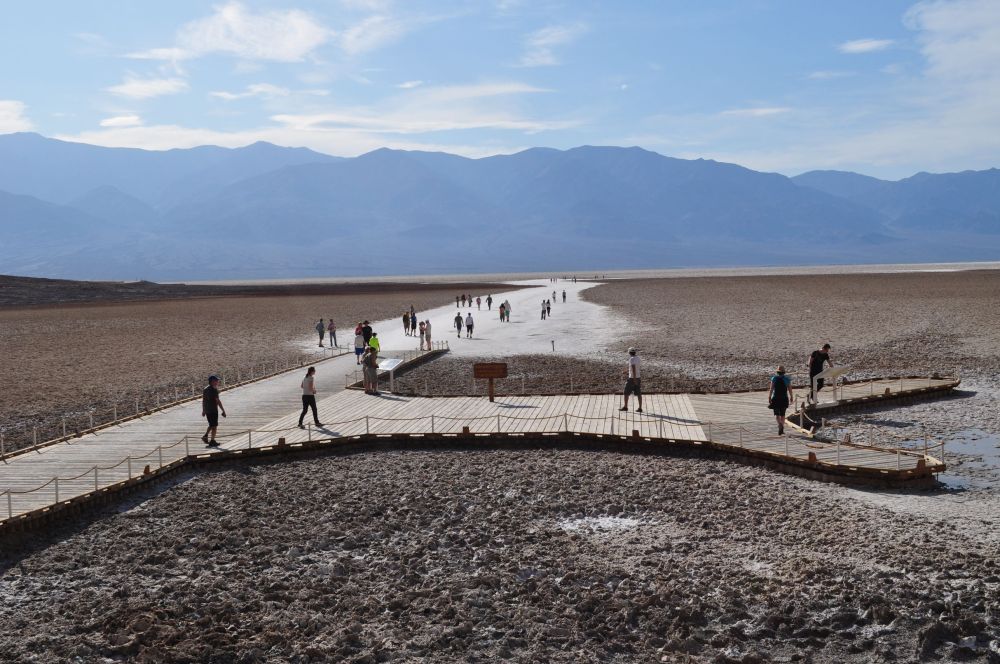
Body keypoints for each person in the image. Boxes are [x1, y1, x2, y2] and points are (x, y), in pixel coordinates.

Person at [201, 375, 226, 446]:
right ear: (212, 382)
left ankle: (205, 436)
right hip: (213, 410)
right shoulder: (214, 390)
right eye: (216, 380)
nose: (218, 382)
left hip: (208, 410)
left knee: (211, 424)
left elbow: (204, 400)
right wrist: (223, 410)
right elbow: (218, 401)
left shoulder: (205, 389)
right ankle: (212, 441)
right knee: (214, 426)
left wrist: (203, 410)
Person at [769, 366, 793, 435]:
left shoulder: (774, 378)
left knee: (777, 415)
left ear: (777, 372)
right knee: (783, 414)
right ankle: (782, 426)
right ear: (784, 372)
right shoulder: (787, 379)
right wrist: (791, 396)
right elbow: (790, 389)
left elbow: (771, 389)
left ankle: (780, 424)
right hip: (784, 398)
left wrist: (769, 397)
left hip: (776, 398)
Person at [619, 347, 642, 413]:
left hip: (632, 378)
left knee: (626, 393)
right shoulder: (638, 358)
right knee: (639, 393)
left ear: (629, 353)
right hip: (638, 377)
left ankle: (625, 407)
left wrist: (634, 379)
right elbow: (634, 368)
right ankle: (640, 408)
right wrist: (626, 371)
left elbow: (633, 368)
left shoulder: (631, 359)